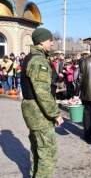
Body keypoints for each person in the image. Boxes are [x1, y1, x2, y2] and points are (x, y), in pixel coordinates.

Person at [21, 28, 64, 178]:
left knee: (37, 151)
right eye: (50, 40)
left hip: (33, 113)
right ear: (41, 41)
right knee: (48, 155)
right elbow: (42, 93)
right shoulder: (39, 60)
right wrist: (55, 114)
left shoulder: (30, 57)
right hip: (39, 114)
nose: (52, 43)